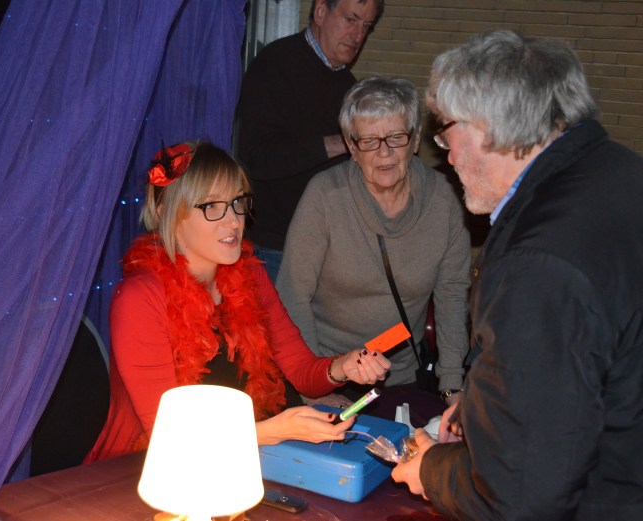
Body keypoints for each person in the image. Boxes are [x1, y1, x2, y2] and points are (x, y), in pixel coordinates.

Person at [392, 30, 643, 520]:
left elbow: (520, 493)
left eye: (447, 132)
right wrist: (485, 405)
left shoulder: (538, 261)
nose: (447, 154)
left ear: (487, 126)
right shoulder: (641, 183)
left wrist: (433, 470)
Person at [85, 141, 391, 462]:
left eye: (236, 202)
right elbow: (168, 433)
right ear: (167, 215)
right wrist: (273, 430)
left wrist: (342, 367)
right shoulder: (139, 299)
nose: (233, 221)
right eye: (211, 206)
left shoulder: (251, 275)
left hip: (236, 459)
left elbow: (301, 372)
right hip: (144, 468)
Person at [276, 76, 472, 422]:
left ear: (415, 140)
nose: (384, 152)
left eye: (396, 137)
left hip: (402, 380)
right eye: (368, 141)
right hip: (328, 375)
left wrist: (452, 386)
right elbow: (293, 297)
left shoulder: (444, 199)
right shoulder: (325, 197)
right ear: (352, 148)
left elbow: (452, 295)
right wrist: (317, 388)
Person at [235, 0, 383, 282]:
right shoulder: (274, 64)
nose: (358, 35)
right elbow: (254, 158)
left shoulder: (350, 87)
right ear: (320, 12)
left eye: (366, 25)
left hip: (327, 247)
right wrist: (339, 143)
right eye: (351, 19)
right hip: (273, 248)